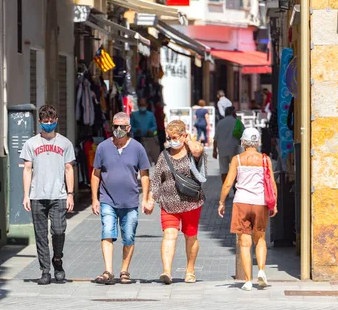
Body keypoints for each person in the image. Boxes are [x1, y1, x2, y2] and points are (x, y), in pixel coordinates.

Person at [91, 112, 150, 284]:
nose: (117, 129)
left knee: (129, 236)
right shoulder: (102, 147)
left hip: (130, 201)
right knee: (107, 232)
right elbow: (96, 174)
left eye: (121, 127)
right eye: (115, 126)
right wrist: (94, 199)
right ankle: (108, 271)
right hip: (107, 199)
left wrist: (145, 198)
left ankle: (124, 271)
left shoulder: (138, 148)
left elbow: (145, 174)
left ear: (128, 128)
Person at [21, 104, 75, 285]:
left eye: (52, 121)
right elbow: (27, 169)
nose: (49, 124)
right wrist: (26, 195)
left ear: (56, 121)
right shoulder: (31, 143)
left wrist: (70, 194)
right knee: (41, 234)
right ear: (40, 122)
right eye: (45, 121)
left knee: (59, 231)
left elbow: (69, 169)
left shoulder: (65, 143)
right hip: (37, 195)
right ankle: (45, 270)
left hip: (59, 195)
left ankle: (57, 260)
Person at [218, 127, 277, 291]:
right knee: (260, 239)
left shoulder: (237, 159)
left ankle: (247, 280)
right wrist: (274, 204)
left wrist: (222, 202)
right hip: (260, 202)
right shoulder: (265, 159)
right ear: (258, 142)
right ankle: (262, 271)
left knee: (244, 243)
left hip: (241, 202)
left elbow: (228, 183)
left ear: (243, 142)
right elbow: (272, 184)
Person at [148, 120, 206, 284]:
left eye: (175, 137)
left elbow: (198, 149)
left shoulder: (191, 152)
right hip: (168, 203)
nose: (171, 140)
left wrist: (187, 139)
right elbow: (156, 179)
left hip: (191, 203)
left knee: (190, 237)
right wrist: (151, 199)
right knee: (169, 234)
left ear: (183, 136)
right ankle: (166, 271)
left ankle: (190, 270)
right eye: (169, 137)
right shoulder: (164, 155)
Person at [213, 105, 244, 184]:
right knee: (236, 168)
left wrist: (214, 151)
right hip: (234, 149)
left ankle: (225, 188)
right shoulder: (237, 122)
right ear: (233, 113)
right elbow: (244, 134)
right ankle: (235, 186)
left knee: (224, 170)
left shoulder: (220, 123)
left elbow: (215, 138)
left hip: (222, 149)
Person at [130, 98, 160, 164]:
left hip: (149, 139)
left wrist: (151, 130)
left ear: (146, 105)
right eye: (141, 105)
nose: (142, 106)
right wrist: (136, 130)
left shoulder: (150, 115)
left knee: (149, 158)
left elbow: (155, 126)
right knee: (139, 159)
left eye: (143, 105)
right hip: (138, 139)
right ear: (138, 105)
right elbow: (130, 126)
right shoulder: (134, 115)